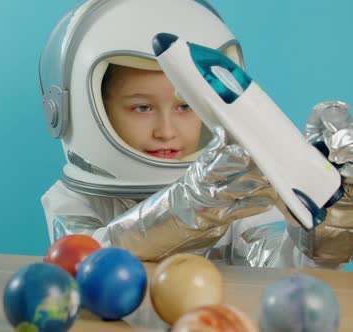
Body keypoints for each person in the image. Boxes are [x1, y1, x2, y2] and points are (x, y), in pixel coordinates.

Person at [38, 0, 353, 269]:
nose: (166, 131)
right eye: (142, 108)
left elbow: (274, 269)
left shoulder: (230, 184)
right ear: (84, 106)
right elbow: (82, 265)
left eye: (185, 106)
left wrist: (322, 238)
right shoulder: (72, 201)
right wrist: (192, 204)